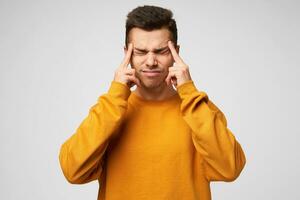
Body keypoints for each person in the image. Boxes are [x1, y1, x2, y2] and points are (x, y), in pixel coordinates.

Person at [59, 5, 246, 200]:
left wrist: (188, 91)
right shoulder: (110, 110)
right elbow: (73, 170)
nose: (150, 61)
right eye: (140, 51)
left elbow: (230, 168)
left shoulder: (197, 109)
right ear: (127, 54)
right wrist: (116, 95)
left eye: (161, 51)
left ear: (176, 53)